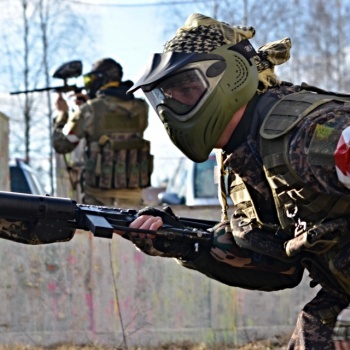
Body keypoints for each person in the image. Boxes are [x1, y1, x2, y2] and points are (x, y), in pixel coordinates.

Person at [116, 13, 350, 349]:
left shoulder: (309, 134)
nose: (172, 107)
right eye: (168, 95)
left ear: (232, 77)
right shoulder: (236, 157)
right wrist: (182, 243)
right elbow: (276, 267)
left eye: (187, 89)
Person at [53, 58, 153, 207]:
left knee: (101, 230)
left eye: (91, 79)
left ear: (101, 79)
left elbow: (62, 145)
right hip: (132, 192)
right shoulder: (141, 108)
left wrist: (63, 114)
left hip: (99, 195)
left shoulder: (90, 109)